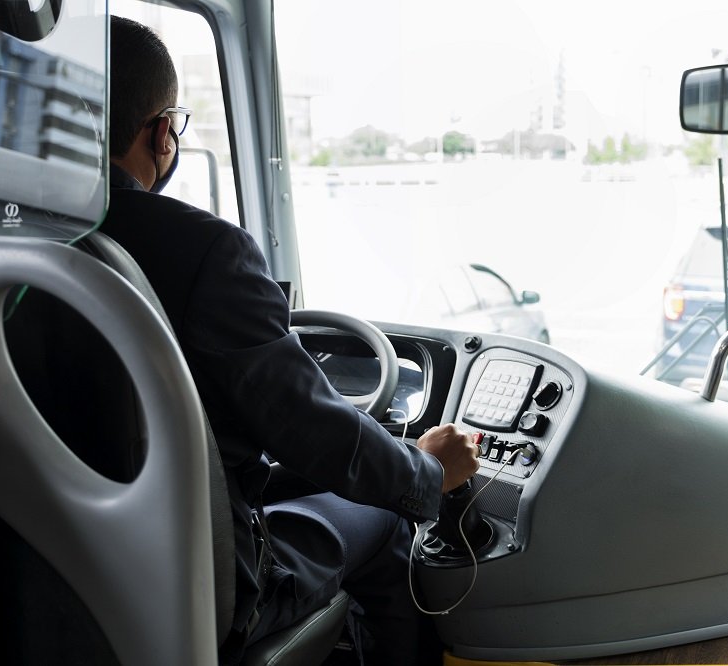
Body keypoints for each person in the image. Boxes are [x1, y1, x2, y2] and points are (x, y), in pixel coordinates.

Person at [104, 15, 479, 666]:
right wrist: (426, 471)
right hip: (208, 587)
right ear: (163, 130)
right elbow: (316, 432)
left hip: (65, 565)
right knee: (388, 521)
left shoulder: (7, 237)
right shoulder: (206, 252)